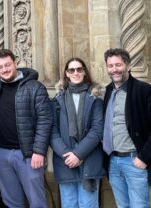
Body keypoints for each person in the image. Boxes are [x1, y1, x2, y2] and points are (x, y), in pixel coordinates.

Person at [102, 48, 151, 208]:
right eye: (110, 66)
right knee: (123, 206)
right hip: (113, 161)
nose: (114, 69)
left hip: (134, 160)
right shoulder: (108, 91)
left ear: (128, 66)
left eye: (118, 65)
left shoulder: (145, 90)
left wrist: (144, 157)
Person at [0, 48, 52, 208]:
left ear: (16, 63)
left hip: (28, 155)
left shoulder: (35, 87)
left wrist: (39, 151)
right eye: (0, 67)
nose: (4, 69)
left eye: (7, 65)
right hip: (1, 154)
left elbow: (45, 120)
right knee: (11, 202)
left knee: (37, 202)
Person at [51, 58, 106, 208]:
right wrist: (69, 156)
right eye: (71, 70)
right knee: (69, 204)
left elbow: (97, 129)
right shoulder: (57, 100)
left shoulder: (95, 98)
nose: (75, 73)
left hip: (89, 161)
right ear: (66, 74)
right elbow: (52, 132)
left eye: (79, 69)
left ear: (84, 72)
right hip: (65, 162)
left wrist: (79, 154)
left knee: (88, 204)